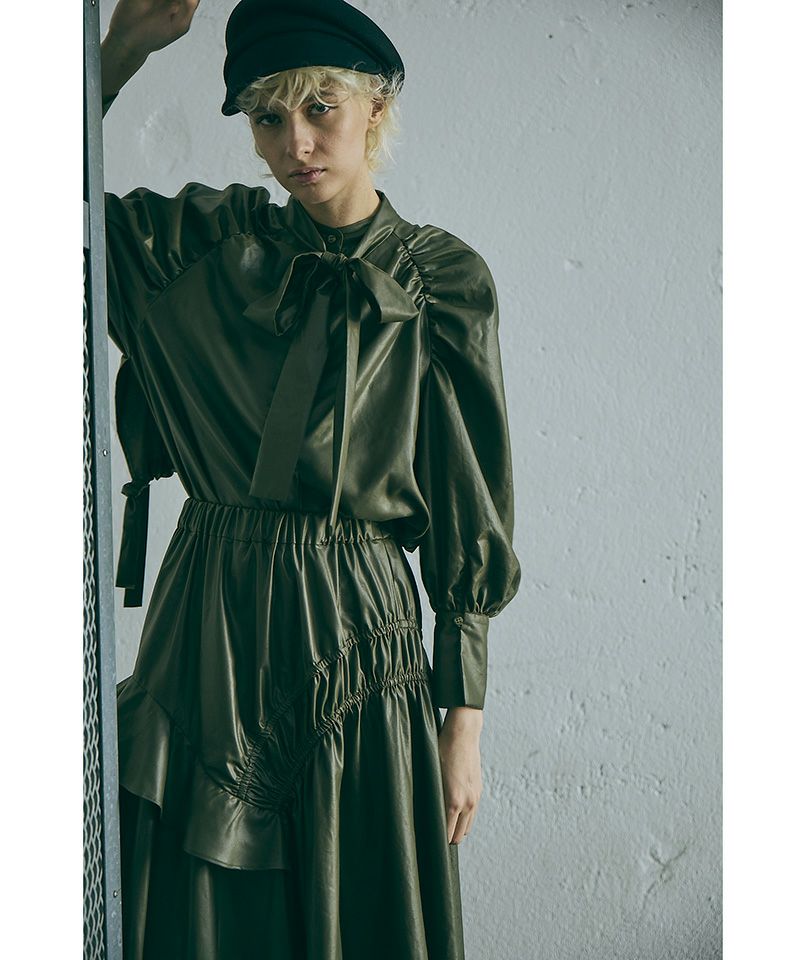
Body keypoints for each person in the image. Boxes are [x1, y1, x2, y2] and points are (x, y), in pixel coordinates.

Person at [100, 0, 522, 956]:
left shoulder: (442, 285)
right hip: (207, 626)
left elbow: (471, 505)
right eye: (268, 116)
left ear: (376, 107)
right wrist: (120, 51)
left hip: (356, 638)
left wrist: (463, 723)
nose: (295, 142)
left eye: (320, 107)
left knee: (358, 905)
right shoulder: (197, 253)